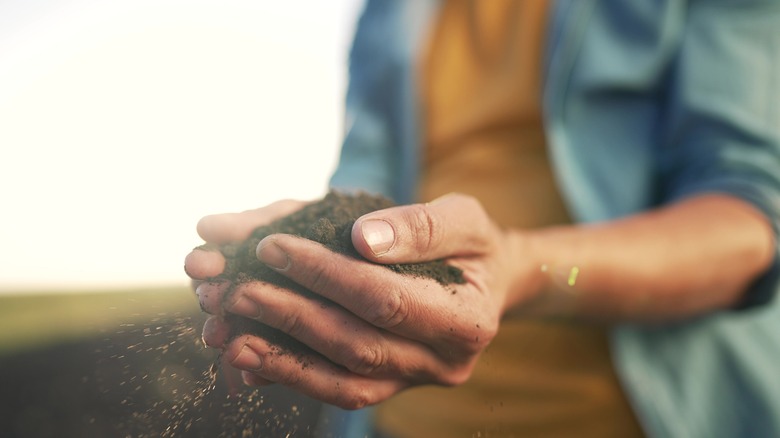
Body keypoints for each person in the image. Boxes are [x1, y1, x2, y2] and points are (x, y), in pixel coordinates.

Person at [184, 1, 780, 436]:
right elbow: (365, 184)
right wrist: (314, 254)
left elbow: (749, 216)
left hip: (634, 415)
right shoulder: (388, 13)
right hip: (400, 421)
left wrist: (517, 268)